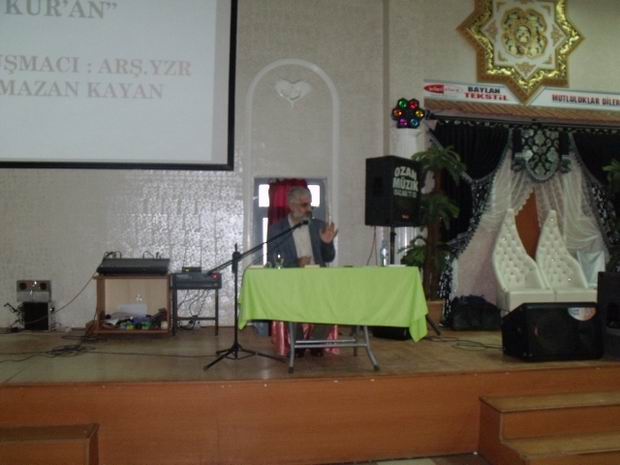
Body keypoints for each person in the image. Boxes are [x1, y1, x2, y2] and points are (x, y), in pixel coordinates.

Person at [267, 186, 338, 357]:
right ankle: (298, 344)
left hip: (318, 278)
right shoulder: (277, 229)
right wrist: (296, 263)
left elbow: (329, 257)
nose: (309, 209)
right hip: (292, 279)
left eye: (310, 205)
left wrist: (327, 243)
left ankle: (316, 343)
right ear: (292, 205)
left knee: (334, 300)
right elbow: (273, 259)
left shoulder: (319, 225)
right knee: (289, 300)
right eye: (305, 205)